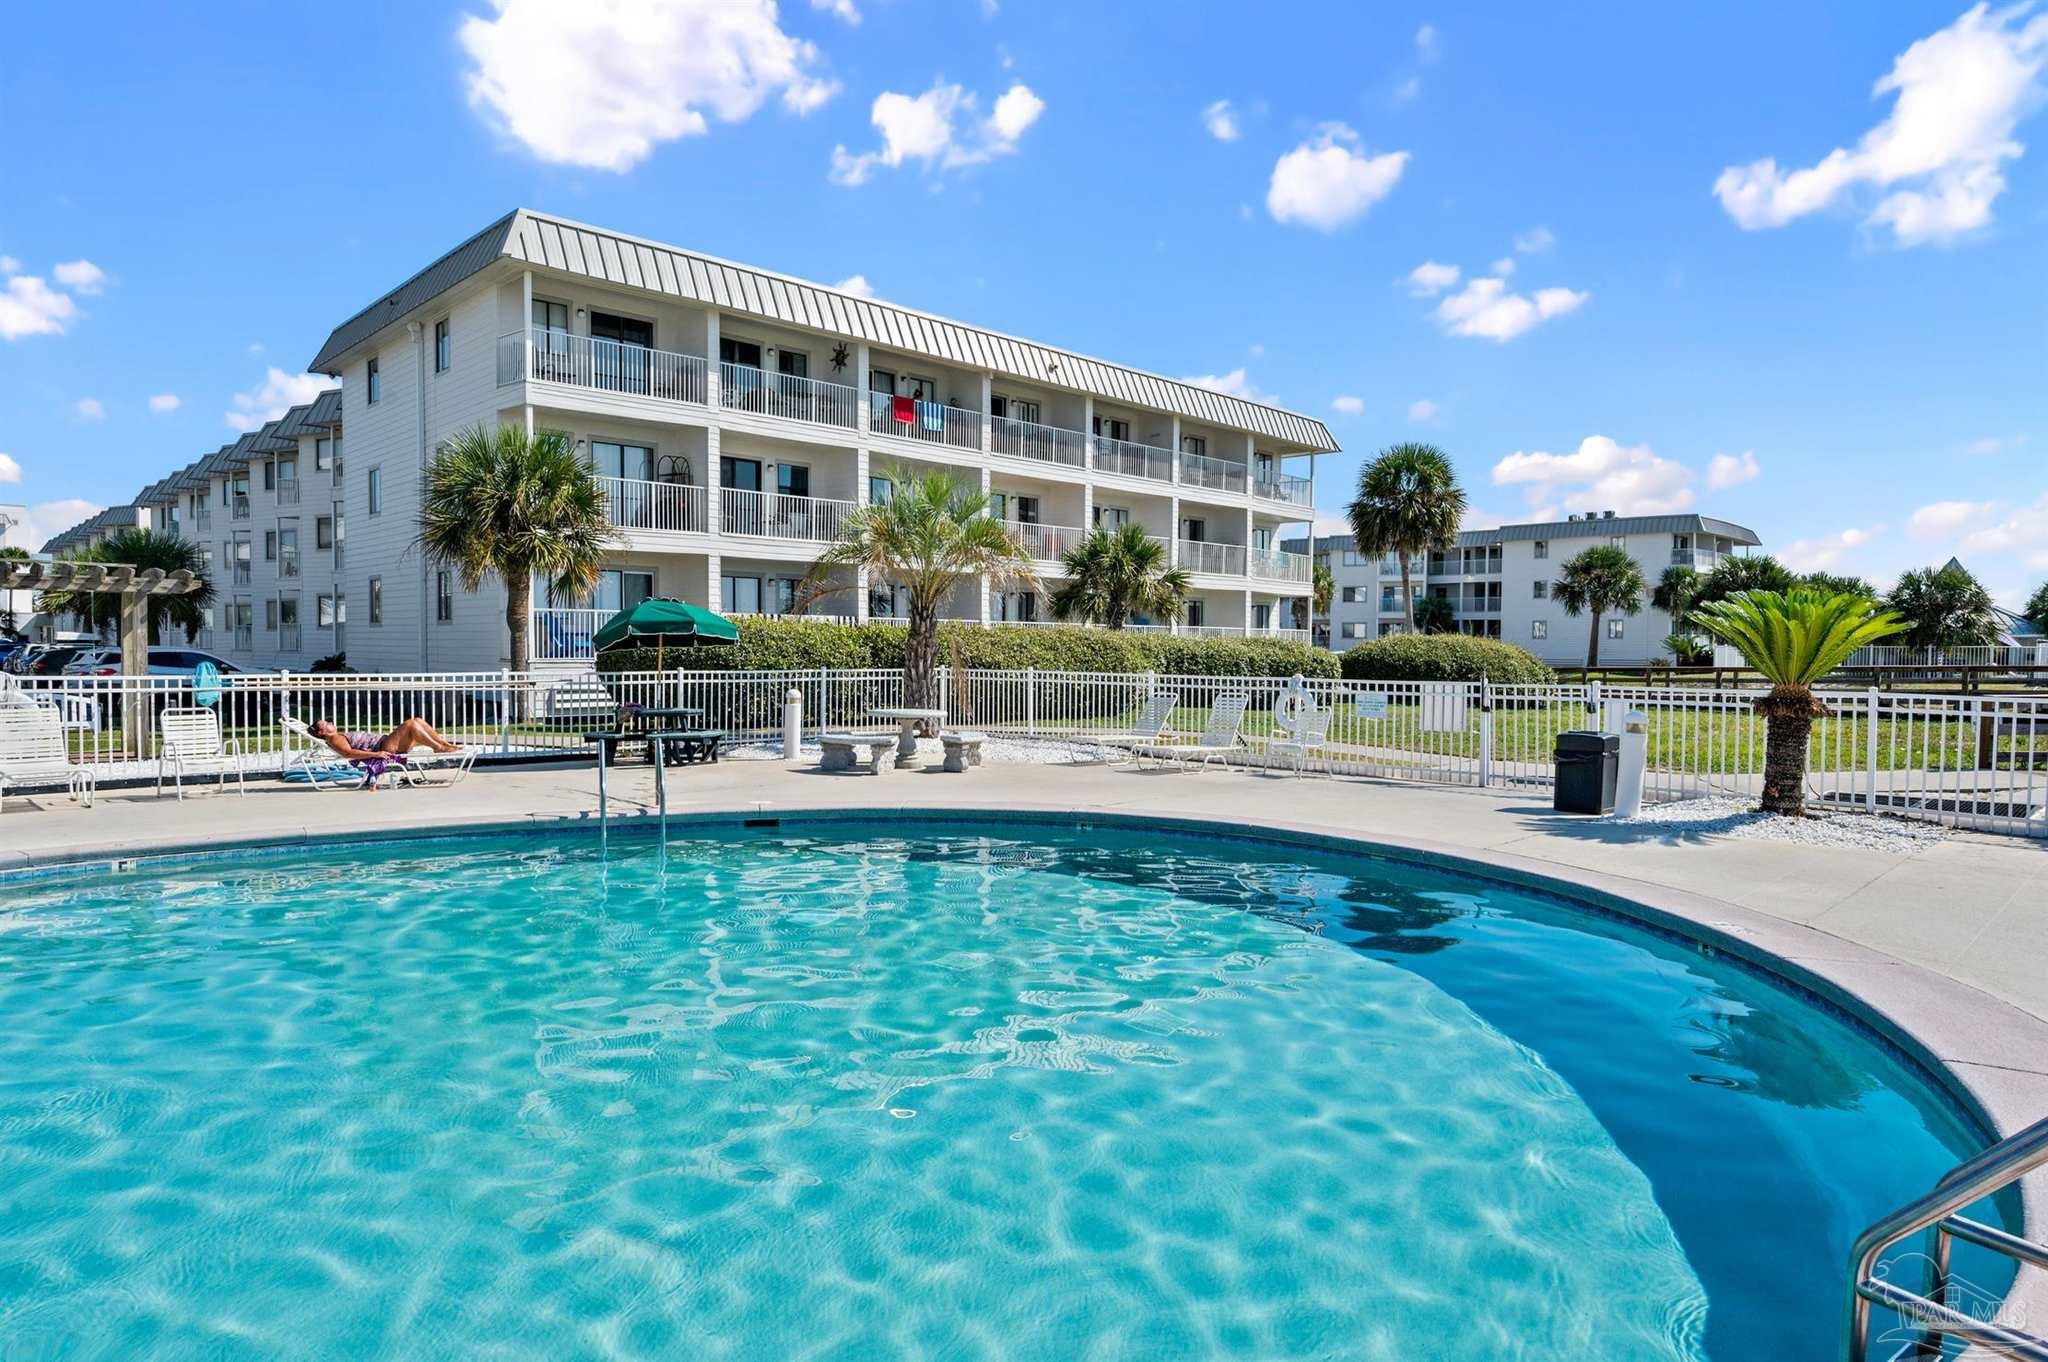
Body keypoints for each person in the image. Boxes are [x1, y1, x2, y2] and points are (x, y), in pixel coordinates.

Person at [307, 717, 462, 788]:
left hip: (384, 743)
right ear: (322, 732)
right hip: (383, 747)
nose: (330, 722)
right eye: (326, 724)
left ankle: (442, 744)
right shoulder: (334, 739)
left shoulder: (336, 737)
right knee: (410, 724)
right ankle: (439, 747)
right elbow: (349, 754)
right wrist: (376, 755)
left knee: (417, 721)